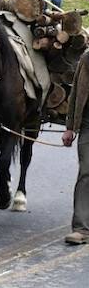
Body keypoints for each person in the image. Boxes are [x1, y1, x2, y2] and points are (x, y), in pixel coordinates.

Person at [59, 51, 89, 246]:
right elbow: (76, 91)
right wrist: (70, 127)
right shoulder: (86, 59)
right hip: (88, 125)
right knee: (86, 173)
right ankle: (81, 228)